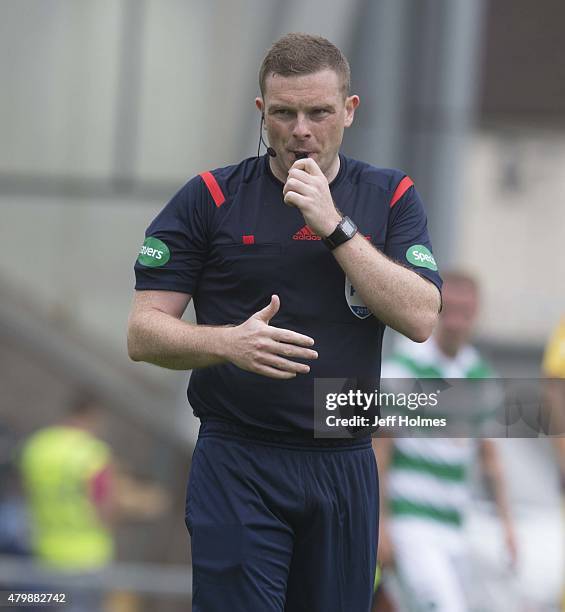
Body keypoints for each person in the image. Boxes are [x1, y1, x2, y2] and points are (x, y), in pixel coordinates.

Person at [127, 33, 442, 612]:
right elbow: (143, 332)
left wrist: (334, 225)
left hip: (343, 457)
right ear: (261, 113)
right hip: (239, 456)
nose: (301, 129)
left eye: (318, 111)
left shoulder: (389, 194)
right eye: (284, 113)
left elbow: (421, 316)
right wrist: (227, 342)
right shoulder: (209, 197)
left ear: (349, 110)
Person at [374, 271, 517, 612]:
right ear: (436, 309)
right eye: (449, 309)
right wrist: (380, 525)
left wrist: (507, 525)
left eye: (465, 312)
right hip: (412, 525)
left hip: (455, 526)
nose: (456, 321)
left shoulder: (481, 376)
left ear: (476, 313)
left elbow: (490, 459)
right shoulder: (403, 370)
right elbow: (379, 455)